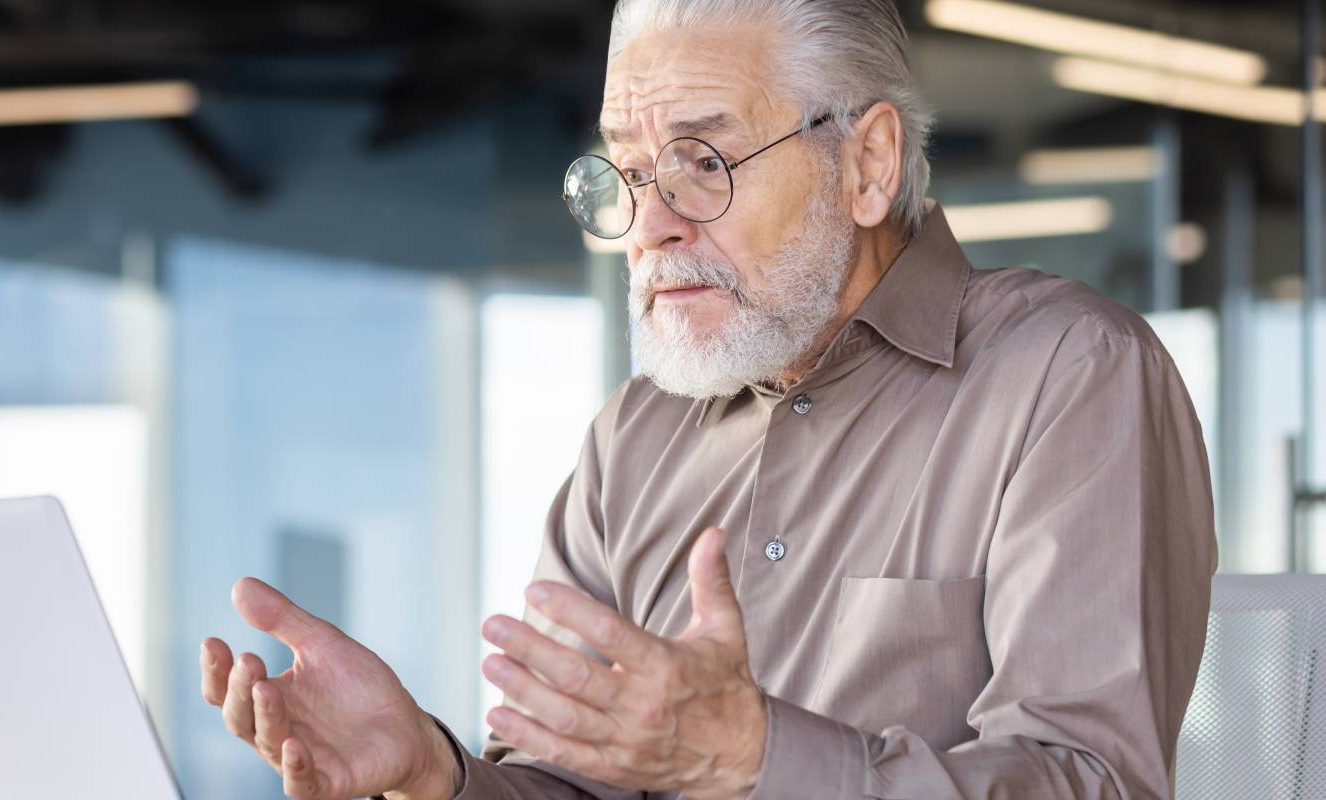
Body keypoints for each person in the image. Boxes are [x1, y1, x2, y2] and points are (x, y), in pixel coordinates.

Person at [200, 0, 1218, 797]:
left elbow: (1095, 781)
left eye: (703, 161)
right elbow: (572, 785)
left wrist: (751, 754)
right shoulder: (636, 437)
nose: (648, 224)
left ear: (867, 165)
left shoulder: (1066, 374)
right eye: (628, 170)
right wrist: (433, 770)